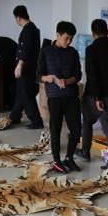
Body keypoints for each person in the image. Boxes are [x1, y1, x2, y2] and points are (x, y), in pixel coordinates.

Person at [75, 19, 108, 170]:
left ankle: (85, 152)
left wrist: (98, 97)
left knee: (87, 121)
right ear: (107, 31)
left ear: (93, 33)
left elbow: (92, 75)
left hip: (93, 95)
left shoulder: (91, 50)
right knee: (107, 127)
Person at [38, 21, 82, 173]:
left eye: (71, 39)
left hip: (71, 96)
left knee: (76, 129)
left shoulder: (73, 52)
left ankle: (69, 158)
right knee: (55, 129)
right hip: (54, 97)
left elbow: (78, 75)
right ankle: (56, 160)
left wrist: (67, 81)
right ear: (57, 35)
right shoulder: (46, 52)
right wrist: (48, 78)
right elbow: (38, 75)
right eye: (66, 38)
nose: (68, 41)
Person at [9, 5, 44, 129]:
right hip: (30, 66)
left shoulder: (28, 30)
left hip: (26, 68)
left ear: (18, 18)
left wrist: (19, 65)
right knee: (20, 93)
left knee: (26, 94)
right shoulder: (32, 28)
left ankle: (37, 121)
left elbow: (26, 49)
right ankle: (15, 116)